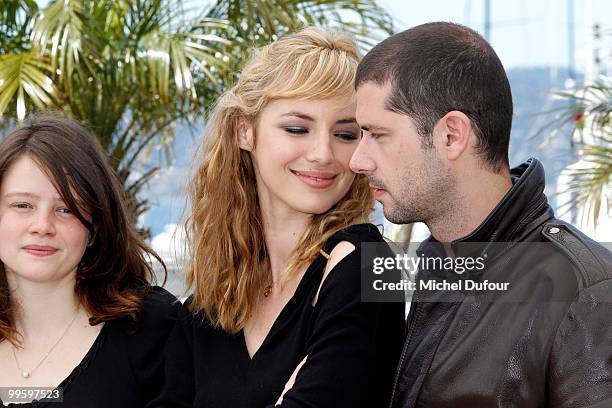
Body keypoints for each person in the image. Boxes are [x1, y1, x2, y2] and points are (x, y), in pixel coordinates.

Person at [350, 21, 612, 408]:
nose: (358, 159)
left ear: (451, 136)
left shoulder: (584, 293)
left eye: (378, 135)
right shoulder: (439, 262)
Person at [156, 27, 405, 408]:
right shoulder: (207, 306)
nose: (323, 153)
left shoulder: (365, 265)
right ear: (245, 130)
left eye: (345, 134)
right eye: (297, 128)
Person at [0, 116, 179, 407]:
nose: (42, 225)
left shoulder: (150, 328)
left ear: (95, 227)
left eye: (66, 209)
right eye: (23, 205)